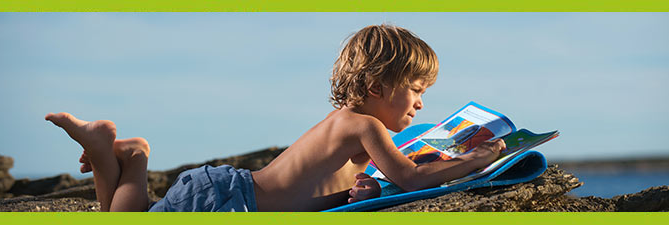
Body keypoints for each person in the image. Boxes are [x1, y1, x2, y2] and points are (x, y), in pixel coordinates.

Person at [45, 24, 505, 212]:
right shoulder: (366, 126)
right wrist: (476, 159)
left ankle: (112, 150)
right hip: (231, 200)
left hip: (228, 189)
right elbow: (409, 178)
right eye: (418, 90)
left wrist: (355, 188)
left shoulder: (346, 125)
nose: (421, 103)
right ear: (377, 87)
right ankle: (138, 158)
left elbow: (318, 190)